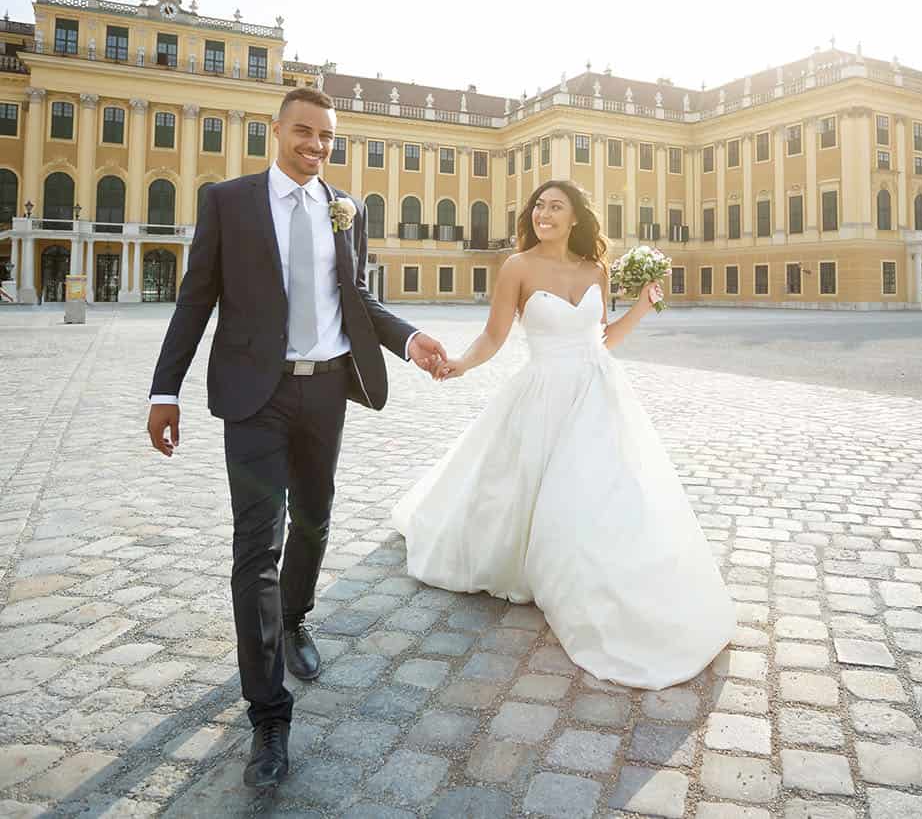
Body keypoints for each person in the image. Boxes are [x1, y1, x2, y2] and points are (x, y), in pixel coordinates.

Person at [145, 87, 449, 788]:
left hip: (326, 389)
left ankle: (297, 615)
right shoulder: (229, 202)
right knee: (258, 544)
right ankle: (268, 714)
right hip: (257, 394)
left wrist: (410, 340)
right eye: (304, 133)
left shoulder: (348, 208)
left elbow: (358, 296)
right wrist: (166, 389)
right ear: (276, 130)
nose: (315, 147)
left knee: (315, 517)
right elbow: (196, 297)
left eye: (327, 139)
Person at [393, 179, 736, 690]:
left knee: (602, 493)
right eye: (538, 206)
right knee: (533, 488)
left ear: (576, 217)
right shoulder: (517, 267)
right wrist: (461, 364)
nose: (543, 213)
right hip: (543, 392)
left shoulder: (596, 269)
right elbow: (494, 335)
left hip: (598, 393)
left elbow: (602, 340)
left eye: (555, 206)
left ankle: (599, 571)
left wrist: (643, 306)